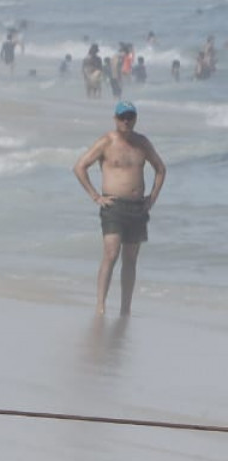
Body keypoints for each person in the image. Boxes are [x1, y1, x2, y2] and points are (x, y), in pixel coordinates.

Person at [71, 101, 168, 316]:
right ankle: (101, 306)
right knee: (111, 253)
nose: (126, 121)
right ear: (115, 119)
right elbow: (79, 167)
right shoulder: (106, 142)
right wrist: (95, 195)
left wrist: (152, 198)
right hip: (113, 206)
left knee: (131, 259)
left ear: (135, 119)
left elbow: (160, 169)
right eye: (122, 117)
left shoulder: (142, 143)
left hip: (137, 208)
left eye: (130, 117)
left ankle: (126, 308)